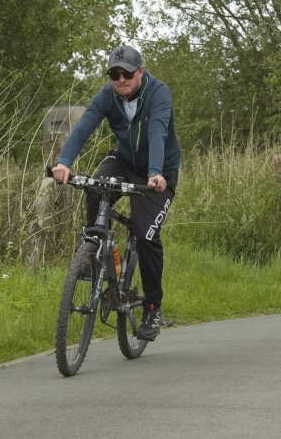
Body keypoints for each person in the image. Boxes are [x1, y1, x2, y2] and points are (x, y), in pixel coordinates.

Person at [52, 45, 181, 341]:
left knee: (146, 234)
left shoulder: (158, 93)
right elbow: (83, 127)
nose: (120, 79)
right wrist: (64, 162)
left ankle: (152, 307)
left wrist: (155, 172)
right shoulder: (107, 95)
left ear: (140, 72)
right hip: (123, 161)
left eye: (127, 73)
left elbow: (157, 132)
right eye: (114, 74)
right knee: (94, 188)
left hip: (159, 171)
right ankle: (96, 253)